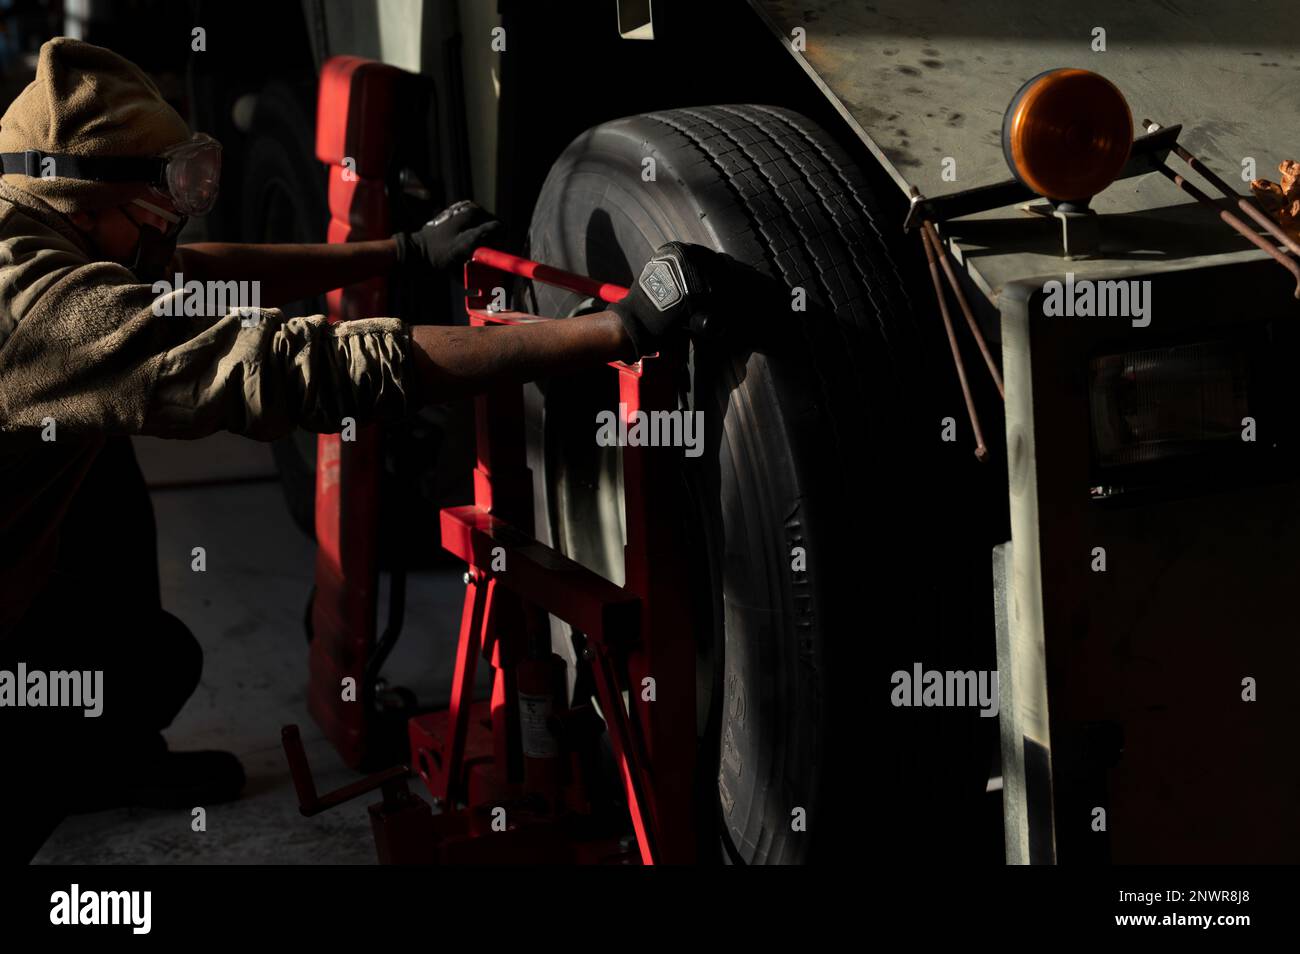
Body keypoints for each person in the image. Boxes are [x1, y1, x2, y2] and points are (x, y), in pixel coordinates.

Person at [0, 38, 737, 862]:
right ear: (82, 197)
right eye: (150, 219)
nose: (164, 241)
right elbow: (302, 368)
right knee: (90, 705)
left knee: (138, 639)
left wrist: (400, 253)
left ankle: (109, 761)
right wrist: (614, 331)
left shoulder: (36, 223)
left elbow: (197, 279)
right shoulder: (45, 320)